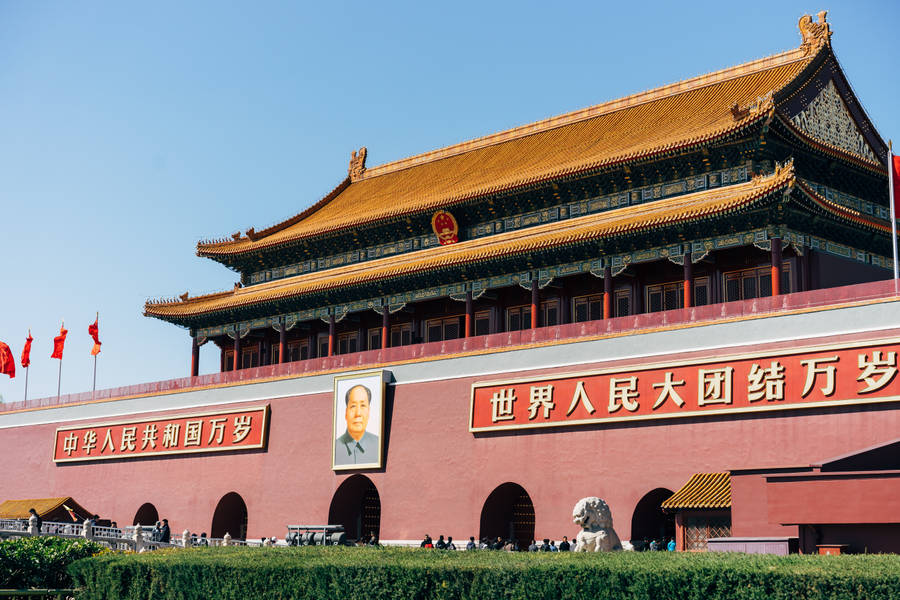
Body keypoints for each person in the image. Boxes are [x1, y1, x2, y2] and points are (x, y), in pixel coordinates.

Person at [334, 384, 380, 466]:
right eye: (353, 406)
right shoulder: (335, 448)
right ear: (346, 413)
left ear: (369, 412)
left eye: (363, 406)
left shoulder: (379, 446)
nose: (358, 413)